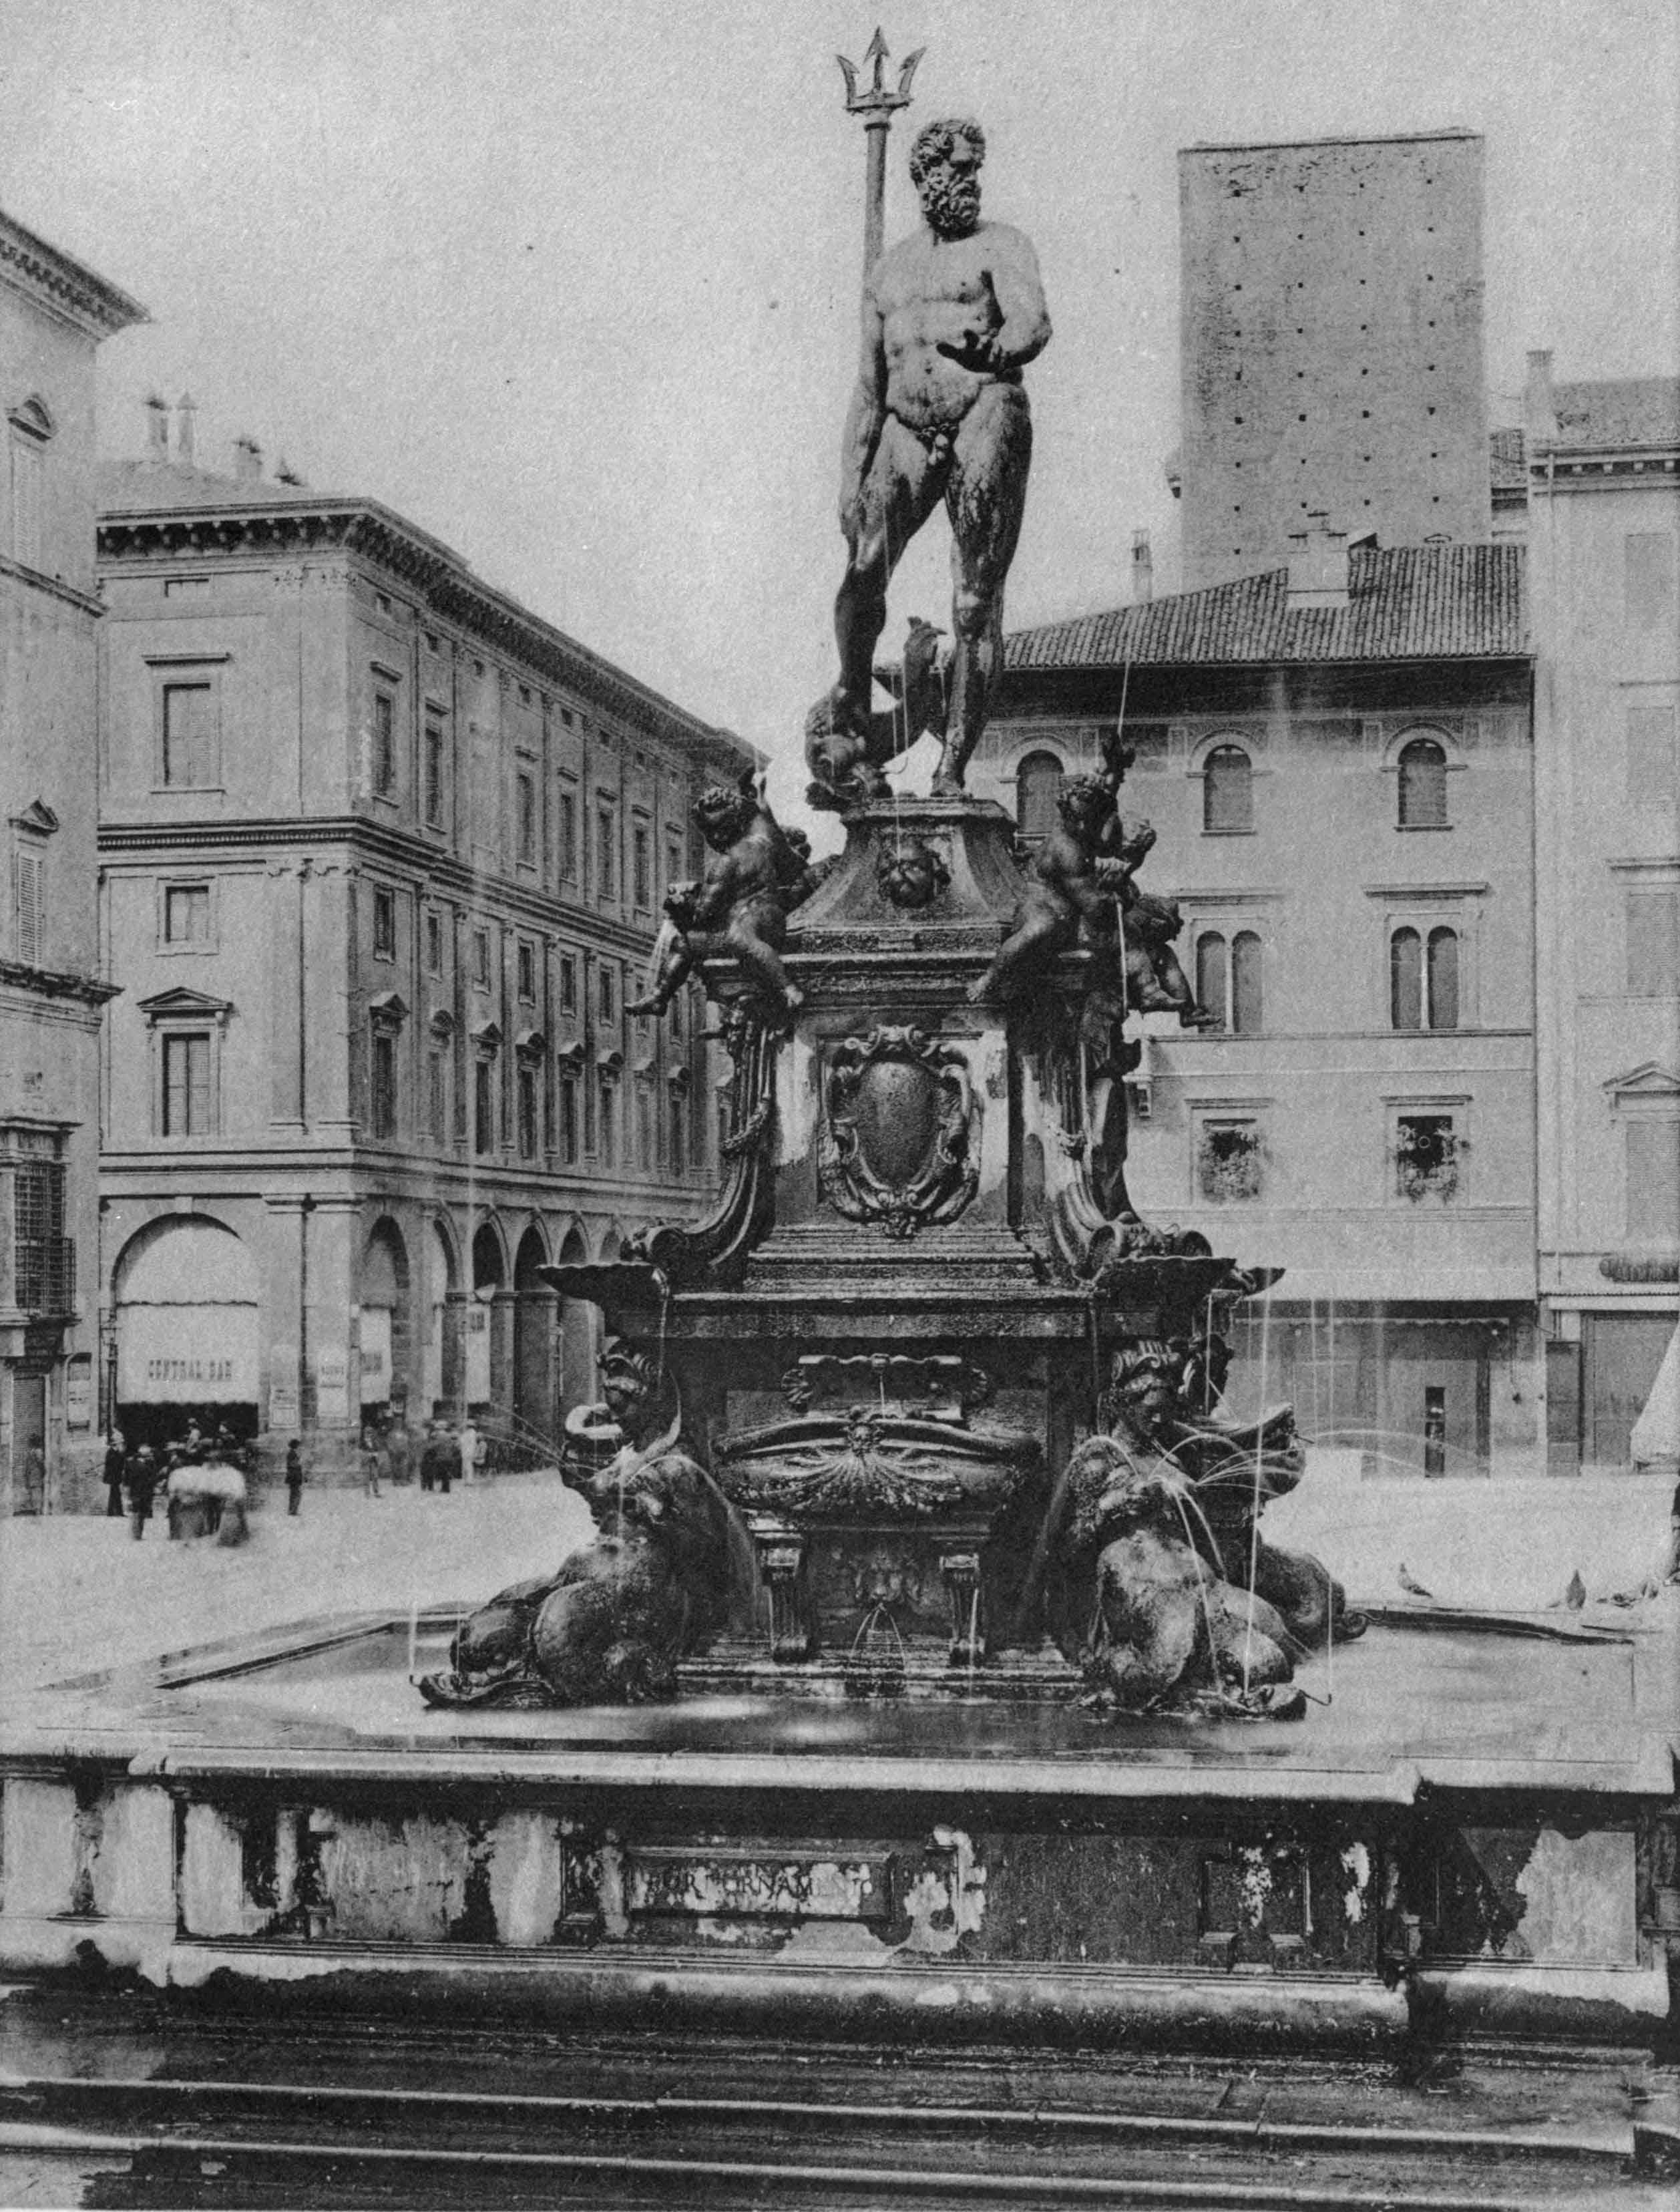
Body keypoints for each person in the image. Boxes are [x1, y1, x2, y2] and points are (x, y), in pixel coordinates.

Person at [830, 116, 1051, 795]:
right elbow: (868, 386)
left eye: (975, 169)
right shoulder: (887, 271)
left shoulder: (1001, 245)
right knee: (862, 568)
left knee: (973, 602)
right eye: (957, 168)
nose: (969, 182)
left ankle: (951, 764)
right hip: (903, 425)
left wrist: (1000, 350)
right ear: (923, 174)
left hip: (984, 411)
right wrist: (850, 475)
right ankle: (850, 690)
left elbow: (1031, 321)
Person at [127, 1444, 157, 1541]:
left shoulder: (131, 1464)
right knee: (141, 1514)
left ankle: (136, 1534)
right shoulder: (144, 1467)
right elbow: (149, 1480)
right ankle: (138, 1534)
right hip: (143, 1493)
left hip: (134, 1492)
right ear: (146, 1456)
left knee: (136, 1513)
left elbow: (127, 1479)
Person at [103, 1433, 127, 1519]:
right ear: (116, 1444)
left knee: (115, 1494)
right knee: (115, 1494)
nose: (121, 1445)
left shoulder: (116, 1452)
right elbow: (113, 1466)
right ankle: (116, 1512)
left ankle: (113, 1512)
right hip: (113, 1477)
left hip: (116, 1477)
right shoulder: (111, 1452)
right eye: (120, 1443)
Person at [360, 1427, 383, 1499]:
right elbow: (361, 1453)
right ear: (364, 1434)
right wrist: (368, 1455)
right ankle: (367, 1493)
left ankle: (376, 1492)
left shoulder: (374, 1442)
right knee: (366, 1478)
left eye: (371, 1433)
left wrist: (376, 1454)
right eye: (368, 1433)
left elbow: (378, 1450)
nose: (369, 1435)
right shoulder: (362, 1443)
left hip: (373, 1461)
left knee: (375, 1477)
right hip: (366, 1462)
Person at [284, 1438, 304, 1516]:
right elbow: (292, 1464)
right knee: (296, 1494)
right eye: (298, 1445)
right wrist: (299, 1463)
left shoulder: (292, 1453)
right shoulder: (292, 1453)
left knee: (295, 1494)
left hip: (294, 1476)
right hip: (294, 1476)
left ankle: (292, 1510)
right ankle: (293, 1511)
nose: (299, 1447)